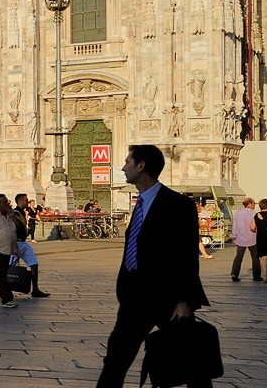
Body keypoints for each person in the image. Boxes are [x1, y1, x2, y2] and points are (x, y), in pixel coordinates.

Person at [94, 144, 209, 388]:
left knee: (191, 362)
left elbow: (187, 255)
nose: (123, 167)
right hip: (135, 297)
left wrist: (184, 300)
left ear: (141, 166)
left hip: (169, 298)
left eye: (127, 162)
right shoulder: (139, 204)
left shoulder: (178, 205)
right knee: (116, 359)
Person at [13, 192, 50, 298]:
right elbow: (16, 226)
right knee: (5, 268)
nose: (27, 201)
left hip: (24, 242)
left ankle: (35, 289)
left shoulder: (22, 212)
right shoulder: (15, 212)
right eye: (25, 199)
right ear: (20, 201)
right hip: (16, 243)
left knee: (34, 264)